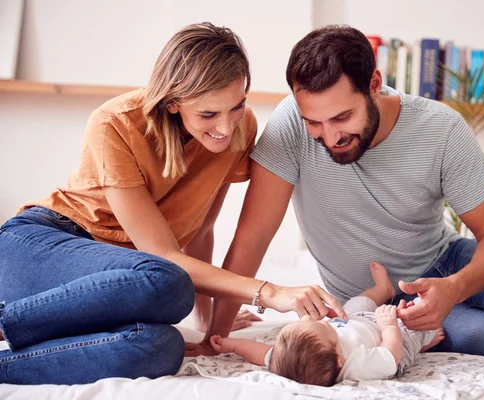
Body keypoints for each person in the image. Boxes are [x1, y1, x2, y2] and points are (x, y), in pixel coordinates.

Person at [203, 25, 484, 399]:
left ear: (374, 85)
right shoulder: (289, 125)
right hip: (382, 306)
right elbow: (252, 237)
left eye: (342, 117)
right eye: (315, 123)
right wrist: (213, 336)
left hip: (445, 260)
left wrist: (455, 288)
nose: (331, 137)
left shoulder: (440, 129)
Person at [0, 22, 346, 386]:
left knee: (162, 347)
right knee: (169, 280)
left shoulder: (240, 129)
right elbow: (163, 257)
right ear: (173, 102)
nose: (226, 128)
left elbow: (202, 230)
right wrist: (270, 292)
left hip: (117, 286)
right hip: (39, 247)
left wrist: (213, 331)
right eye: (208, 115)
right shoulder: (115, 124)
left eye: (236, 106)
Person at [210, 262, 443, 386]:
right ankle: (425, 342)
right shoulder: (358, 367)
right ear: (340, 358)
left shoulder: (287, 358)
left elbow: (260, 353)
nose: (320, 320)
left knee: (356, 302)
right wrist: (390, 325)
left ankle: (383, 290)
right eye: (323, 326)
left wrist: (231, 345)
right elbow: (390, 356)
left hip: (355, 320)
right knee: (416, 325)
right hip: (386, 338)